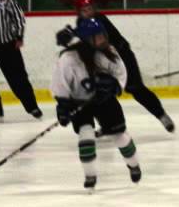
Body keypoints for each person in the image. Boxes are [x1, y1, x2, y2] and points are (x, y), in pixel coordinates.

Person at [57, 0, 174, 132]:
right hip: (106, 62)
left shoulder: (99, 19)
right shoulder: (82, 22)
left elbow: (92, 33)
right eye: (84, 10)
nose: (88, 12)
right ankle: (108, 125)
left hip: (123, 57)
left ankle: (161, 115)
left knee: (136, 89)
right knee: (100, 94)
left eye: (89, 8)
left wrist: (73, 33)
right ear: (78, 12)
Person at [51, 18, 140, 191]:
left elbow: (120, 74)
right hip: (79, 101)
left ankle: (133, 164)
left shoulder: (109, 53)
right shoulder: (69, 58)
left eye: (102, 35)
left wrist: (113, 86)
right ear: (86, 40)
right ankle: (90, 175)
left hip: (105, 101)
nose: (103, 40)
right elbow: (60, 83)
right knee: (85, 135)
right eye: (97, 37)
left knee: (119, 136)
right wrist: (63, 106)